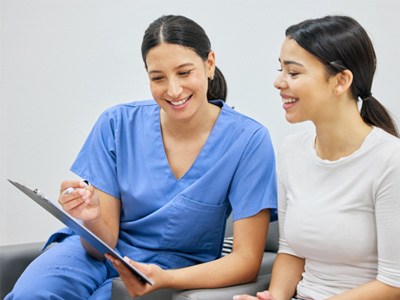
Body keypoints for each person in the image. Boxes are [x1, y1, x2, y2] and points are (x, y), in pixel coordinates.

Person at [6, 15, 277, 299]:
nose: (173, 90)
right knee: (34, 293)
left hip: (172, 268)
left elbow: (246, 262)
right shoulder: (116, 123)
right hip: (93, 256)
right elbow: (101, 246)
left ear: (209, 64)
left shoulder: (248, 141)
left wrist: (165, 278)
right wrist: (92, 218)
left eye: (184, 73)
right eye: (158, 78)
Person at [234, 15, 400, 300]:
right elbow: (291, 249)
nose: (278, 82)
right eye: (280, 70)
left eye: (294, 73)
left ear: (341, 81)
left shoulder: (390, 161)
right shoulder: (291, 151)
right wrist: (275, 296)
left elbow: (394, 284)